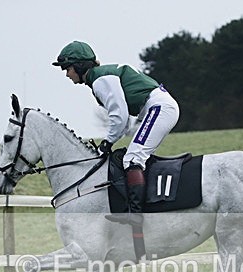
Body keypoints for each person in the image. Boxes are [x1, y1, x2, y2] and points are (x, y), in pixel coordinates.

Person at [53, 41, 179, 226]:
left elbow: (120, 117)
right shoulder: (101, 77)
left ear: (79, 66)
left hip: (159, 109)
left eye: (67, 68)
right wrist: (110, 140)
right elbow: (125, 120)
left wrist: (107, 142)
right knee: (132, 157)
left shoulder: (100, 80)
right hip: (158, 108)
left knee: (132, 159)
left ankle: (135, 215)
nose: (66, 74)